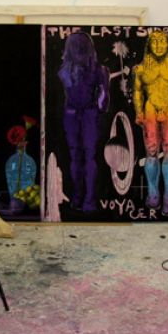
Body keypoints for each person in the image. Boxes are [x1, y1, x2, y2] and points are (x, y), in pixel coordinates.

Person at [133, 29, 168, 216]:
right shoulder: (141, 69)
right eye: (154, 42)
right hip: (150, 109)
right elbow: (138, 92)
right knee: (151, 152)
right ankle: (153, 193)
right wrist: (139, 112)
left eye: (162, 41)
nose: (158, 45)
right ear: (149, 46)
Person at [58, 31, 109, 212]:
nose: (79, 48)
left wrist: (98, 106)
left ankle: (85, 198)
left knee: (85, 156)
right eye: (76, 45)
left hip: (84, 114)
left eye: (81, 45)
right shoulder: (66, 71)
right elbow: (103, 101)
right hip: (78, 114)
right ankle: (82, 197)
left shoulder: (96, 70)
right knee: (80, 156)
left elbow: (104, 99)